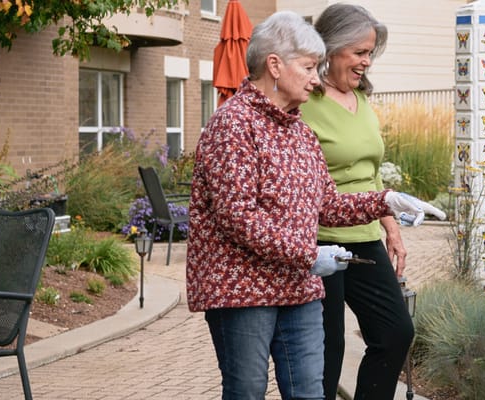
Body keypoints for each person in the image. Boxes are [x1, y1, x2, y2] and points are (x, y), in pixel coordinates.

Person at [187, 11, 443, 400]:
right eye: (308, 67)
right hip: (243, 290)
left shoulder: (299, 131)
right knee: (247, 391)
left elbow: (327, 205)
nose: (314, 77)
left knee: (310, 392)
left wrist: (384, 201)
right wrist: (307, 255)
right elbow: (238, 217)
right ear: (274, 65)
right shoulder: (232, 125)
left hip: (299, 287)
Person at [298, 4, 411, 399]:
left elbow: (372, 173)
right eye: (360, 52)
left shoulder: (362, 101)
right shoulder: (304, 103)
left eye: (370, 53)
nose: (366, 61)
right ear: (332, 47)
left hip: (363, 239)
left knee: (395, 332)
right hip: (320, 242)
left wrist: (391, 229)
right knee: (327, 351)